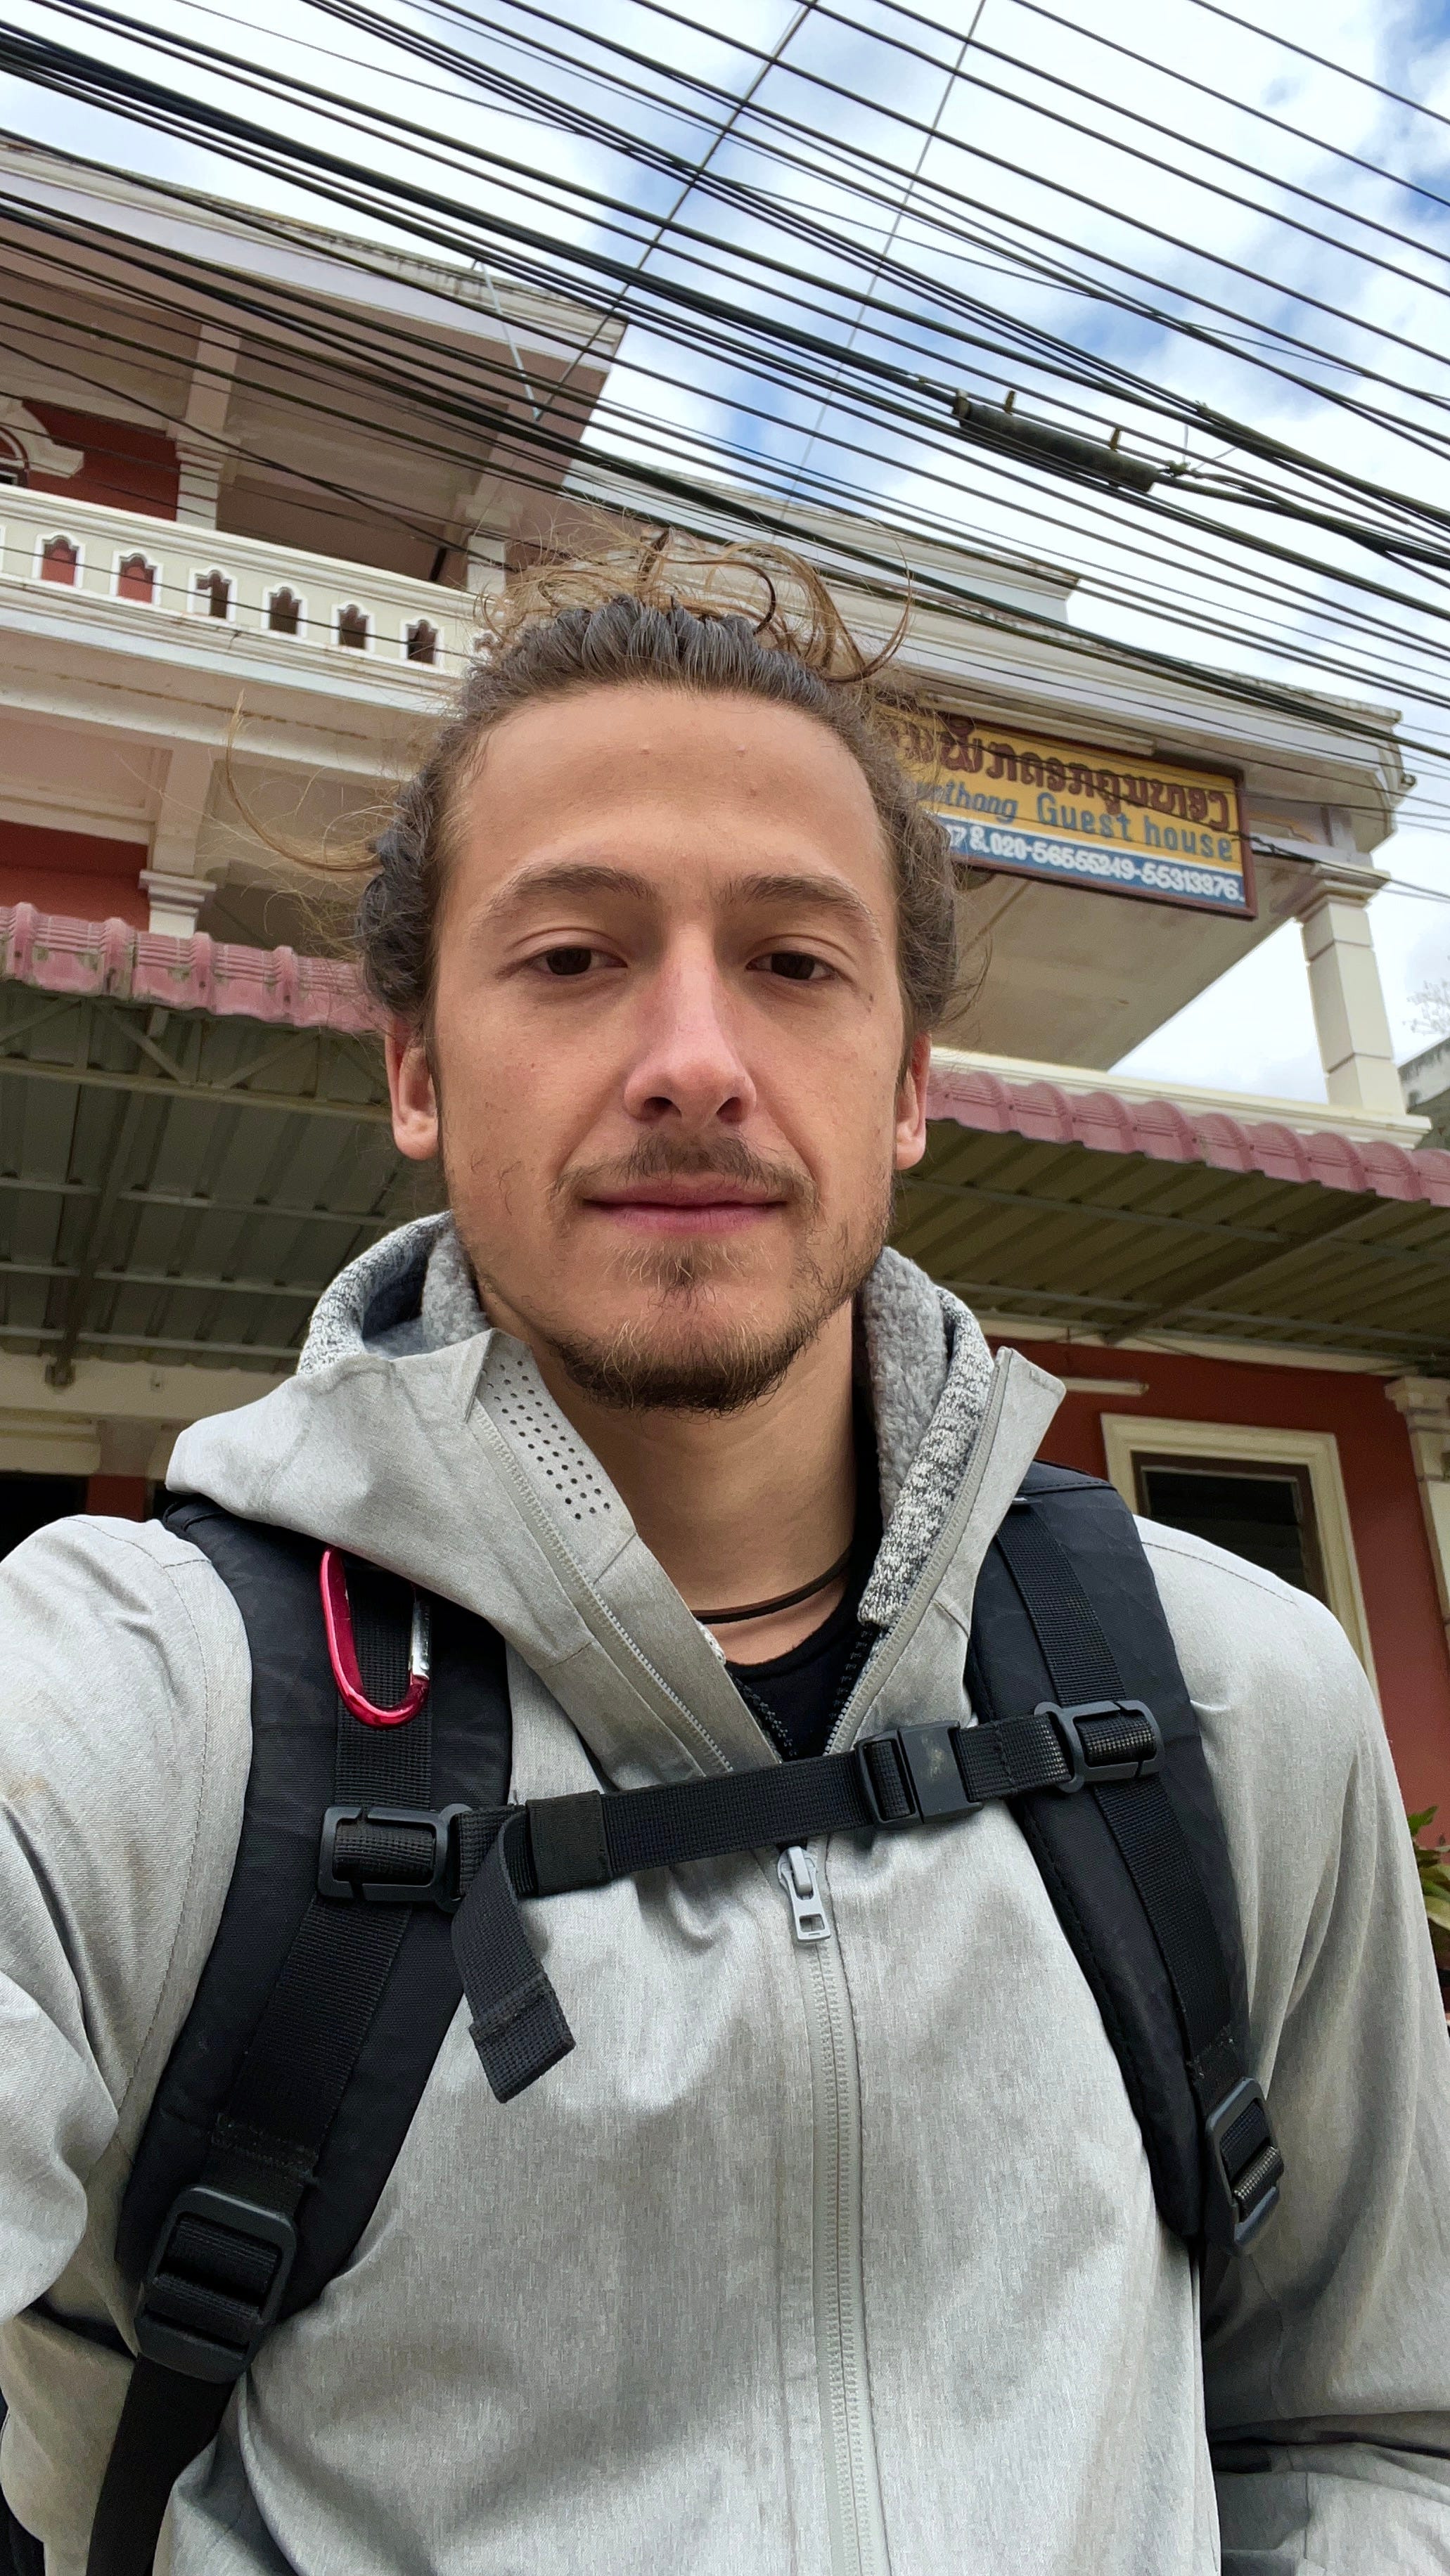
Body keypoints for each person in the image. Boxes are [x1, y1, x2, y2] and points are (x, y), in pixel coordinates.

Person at [1, 538, 1448, 2576]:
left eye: (793, 961)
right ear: (415, 1068)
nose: (694, 1057)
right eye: (571, 957)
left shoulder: (1232, 1702)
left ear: (910, 1085)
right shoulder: (131, 1702)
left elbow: (1376, 2433)